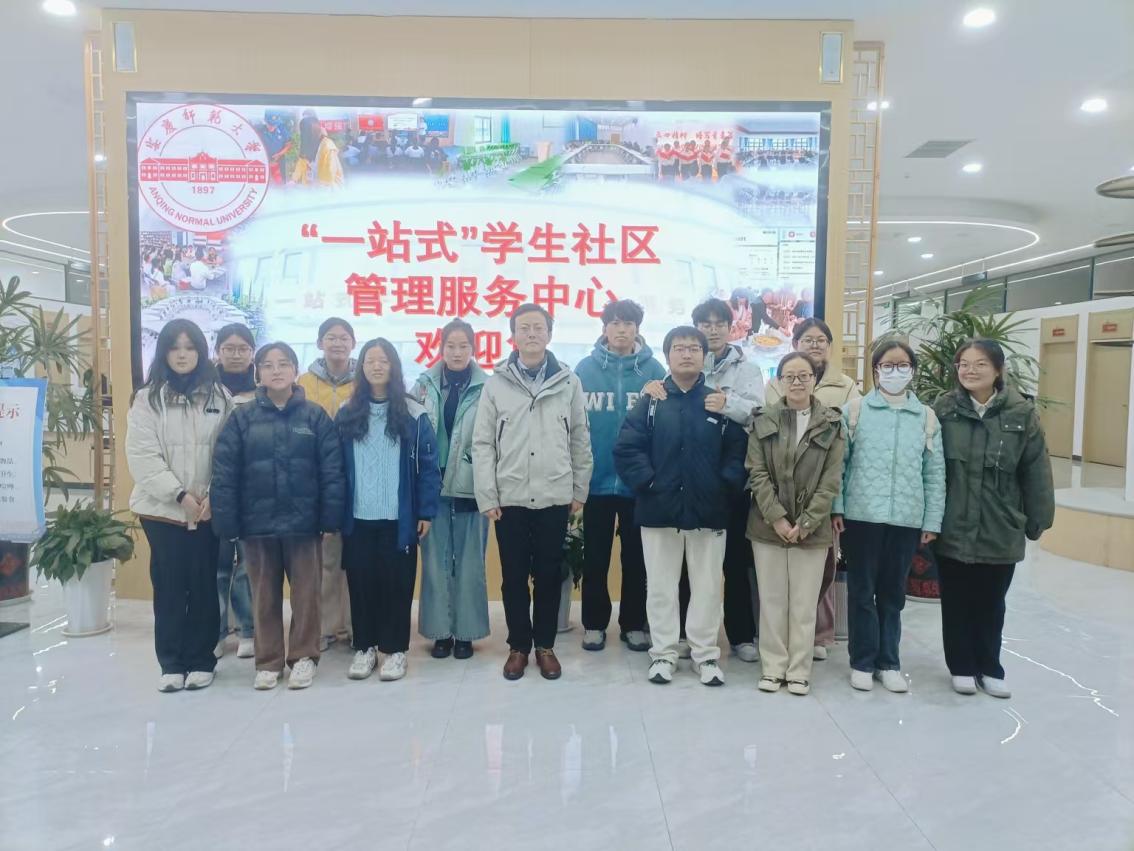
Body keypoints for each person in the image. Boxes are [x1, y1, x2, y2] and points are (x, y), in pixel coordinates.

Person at [613, 326, 748, 687]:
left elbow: (738, 453)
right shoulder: (651, 401)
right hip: (659, 510)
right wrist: (650, 484)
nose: (686, 354)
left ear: (704, 356)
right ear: (667, 355)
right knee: (660, 586)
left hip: (710, 510)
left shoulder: (718, 402)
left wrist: (723, 487)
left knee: (707, 587)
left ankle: (705, 655)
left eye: (693, 348)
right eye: (679, 348)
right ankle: (663, 653)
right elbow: (627, 449)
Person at [211, 342, 345, 691]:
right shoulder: (242, 418)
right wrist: (227, 521)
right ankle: (268, 661)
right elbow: (225, 473)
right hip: (257, 526)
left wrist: (330, 517)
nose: (276, 370)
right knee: (264, 596)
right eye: (268, 365)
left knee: (306, 596)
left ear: (295, 371)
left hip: (304, 525)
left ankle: (303, 657)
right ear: (258, 373)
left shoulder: (315, 416)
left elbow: (332, 471)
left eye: (283, 364)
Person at [472, 303, 592, 682]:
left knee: (548, 574)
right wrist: (488, 495)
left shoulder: (568, 382)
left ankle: (545, 646)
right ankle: (519, 647)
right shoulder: (496, 384)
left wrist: (579, 488)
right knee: (513, 576)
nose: (531, 334)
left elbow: (580, 438)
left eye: (538, 327)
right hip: (510, 498)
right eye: (524, 328)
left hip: (555, 495)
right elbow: (482, 444)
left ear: (549, 334)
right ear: (513, 336)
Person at [643, 298, 764, 662]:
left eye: (719, 323)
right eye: (705, 324)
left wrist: (726, 404)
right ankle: (681, 636)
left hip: (726, 486)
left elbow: (757, 413)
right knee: (682, 569)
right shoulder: (681, 369)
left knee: (732, 564)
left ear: (731, 327)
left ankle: (740, 636)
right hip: (678, 488)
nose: (712, 329)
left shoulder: (747, 369)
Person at [934, 338, 1054, 698]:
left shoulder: (1021, 413)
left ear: (998, 370)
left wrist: (1038, 519)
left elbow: (1036, 470)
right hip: (953, 523)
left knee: (991, 601)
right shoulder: (944, 409)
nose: (970, 371)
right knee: (956, 600)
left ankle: (990, 666)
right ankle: (961, 666)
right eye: (963, 364)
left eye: (980, 364)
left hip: (1000, 524)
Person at [832, 340, 946, 693]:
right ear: (876, 369)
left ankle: (889, 662)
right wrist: (837, 506)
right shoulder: (855, 411)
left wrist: (932, 521)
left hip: (906, 518)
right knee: (862, 591)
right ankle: (862, 661)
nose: (895, 371)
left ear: (912, 370)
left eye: (902, 365)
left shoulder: (926, 417)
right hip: (861, 516)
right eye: (888, 365)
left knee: (893, 594)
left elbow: (934, 473)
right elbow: (839, 466)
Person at [126, 319, 232, 693]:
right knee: (170, 585)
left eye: (190, 347)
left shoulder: (219, 397)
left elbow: (228, 453)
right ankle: (171, 663)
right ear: (164, 353)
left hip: (207, 510)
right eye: (175, 347)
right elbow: (142, 456)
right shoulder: (147, 399)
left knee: (203, 584)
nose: (182, 355)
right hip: (164, 511)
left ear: (201, 352)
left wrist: (213, 496)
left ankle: (202, 660)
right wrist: (180, 496)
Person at [337, 339, 441, 682]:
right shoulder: (347, 412)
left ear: (394, 366)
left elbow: (429, 467)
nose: (377, 366)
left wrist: (425, 512)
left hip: (400, 518)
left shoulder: (414, 413)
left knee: (398, 584)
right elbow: (336, 467)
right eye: (370, 360)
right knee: (361, 583)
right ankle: (365, 647)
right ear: (361, 368)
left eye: (384, 360)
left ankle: (396, 650)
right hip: (358, 517)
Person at [746, 352, 845, 695]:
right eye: (790, 376)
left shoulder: (831, 423)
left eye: (804, 375)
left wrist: (805, 522)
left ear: (815, 379)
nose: (797, 382)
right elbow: (757, 472)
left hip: (812, 529)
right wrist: (776, 518)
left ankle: (799, 670)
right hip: (766, 526)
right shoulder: (763, 420)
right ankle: (773, 667)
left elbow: (831, 480)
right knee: (772, 601)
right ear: (779, 380)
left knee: (804, 604)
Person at [574, 300, 666, 653]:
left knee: (636, 559)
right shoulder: (585, 370)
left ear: (637, 328)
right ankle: (594, 624)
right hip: (596, 482)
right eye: (615, 323)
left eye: (628, 323)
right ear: (604, 328)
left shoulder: (654, 370)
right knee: (595, 558)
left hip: (637, 484)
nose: (621, 330)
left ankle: (633, 624)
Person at [766, 317, 860, 661]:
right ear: (795, 344)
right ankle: (780, 641)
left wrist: (835, 505)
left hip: (823, 497)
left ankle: (819, 634)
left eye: (821, 339)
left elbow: (847, 445)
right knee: (779, 580)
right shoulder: (774, 384)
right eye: (807, 339)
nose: (815, 344)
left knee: (822, 571)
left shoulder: (846, 386)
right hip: (779, 498)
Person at [412, 320, 490, 660]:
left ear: (473, 349)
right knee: (434, 562)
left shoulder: (488, 388)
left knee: (470, 563)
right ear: (441, 348)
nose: (457, 353)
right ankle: (440, 633)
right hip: (432, 488)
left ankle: (466, 634)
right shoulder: (423, 386)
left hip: (472, 485)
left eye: (463, 346)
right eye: (450, 346)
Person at [298, 318, 357, 653]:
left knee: (355, 560)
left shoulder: (364, 382)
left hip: (356, 482)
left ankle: (353, 625)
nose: (337, 343)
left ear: (353, 343)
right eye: (331, 338)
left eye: (344, 338)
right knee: (324, 560)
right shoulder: (303, 383)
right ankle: (324, 627)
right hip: (317, 482)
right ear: (320, 343)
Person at [212, 323, 258, 661]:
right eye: (229, 348)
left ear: (252, 353)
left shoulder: (261, 390)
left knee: (248, 566)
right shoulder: (204, 389)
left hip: (251, 491)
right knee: (217, 567)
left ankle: (248, 629)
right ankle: (215, 632)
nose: (236, 354)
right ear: (217, 352)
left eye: (243, 348)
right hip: (210, 489)